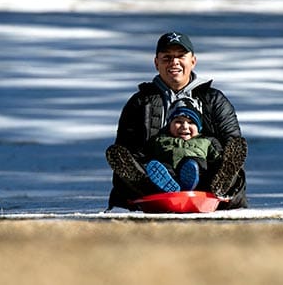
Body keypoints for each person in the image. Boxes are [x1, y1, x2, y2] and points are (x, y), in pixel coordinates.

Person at [105, 31, 248, 211]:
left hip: (206, 181)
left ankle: (220, 185)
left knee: (223, 157)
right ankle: (147, 186)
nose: (174, 62)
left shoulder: (214, 99)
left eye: (181, 56)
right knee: (134, 161)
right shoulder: (141, 102)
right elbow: (129, 146)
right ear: (156, 63)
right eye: (167, 57)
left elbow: (232, 143)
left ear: (193, 61)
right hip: (155, 179)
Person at [145, 97, 223, 192]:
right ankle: (169, 185)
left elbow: (218, 159)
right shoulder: (160, 140)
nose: (185, 126)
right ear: (169, 125)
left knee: (195, 164)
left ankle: (190, 182)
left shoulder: (206, 141)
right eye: (178, 122)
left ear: (199, 127)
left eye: (191, 122)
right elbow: (147, 156)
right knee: (163, 167)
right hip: (172, 174)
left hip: (199, 178)